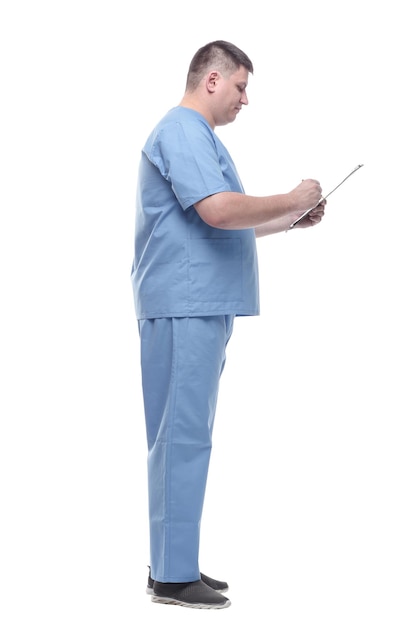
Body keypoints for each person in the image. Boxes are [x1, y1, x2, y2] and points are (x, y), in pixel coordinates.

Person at [131, 40, 325, 610]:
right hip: (184, 303)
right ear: (211, 80)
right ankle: (170, 575)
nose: (246, 99)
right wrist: (290, 196)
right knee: (180, 437)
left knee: (186, 437)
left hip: (198, 303)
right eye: (241, 86)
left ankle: (176, 562)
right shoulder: (183, 130)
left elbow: (218, 222)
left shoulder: (199, 137)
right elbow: (218, 209)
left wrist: (289, 219)